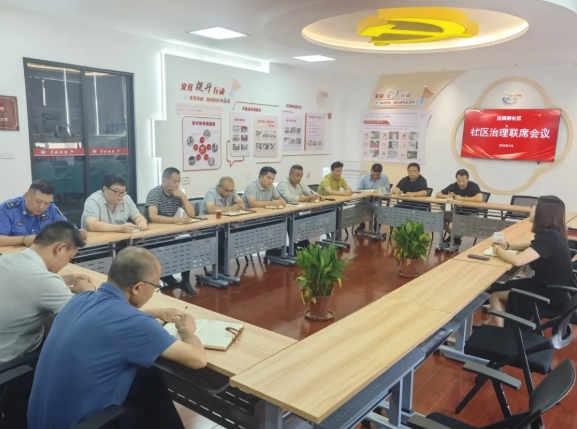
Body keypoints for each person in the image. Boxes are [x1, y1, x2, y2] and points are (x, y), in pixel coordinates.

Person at [27, 247, 207, 429]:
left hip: (38, 421)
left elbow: (108, 319)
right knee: (150, 388)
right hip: (86, 425)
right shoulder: (134, 323)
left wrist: (153, 312)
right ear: (138, 288)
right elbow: (197, 359)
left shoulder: (80, 299)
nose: (154, 291)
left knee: (148, 377)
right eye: (155, 286)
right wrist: (187, 331)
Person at [0, 221, 95, 427]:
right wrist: (89, 292)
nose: (67, 263)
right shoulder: (44, 282)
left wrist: (64, 279)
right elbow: (89, 318)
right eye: (69, 258)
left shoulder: (8, 259)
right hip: (12, 364)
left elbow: (30, 283)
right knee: (75, 358)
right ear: (60, 248)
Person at [480, 196, 574, 328]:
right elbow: (532, 244)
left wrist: (497, 250)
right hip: (555, 290)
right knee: (497, 286)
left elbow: (518, 261)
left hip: (549, 295)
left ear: (543, 212)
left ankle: (499, 330)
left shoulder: (549, 237)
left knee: (495, 295)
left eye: (534, 206)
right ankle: (493, 322)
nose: (530, 209)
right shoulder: (554, 233)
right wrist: (508, 246)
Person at [144, 167, 196, 294]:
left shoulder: (177, 195)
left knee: (186, 242)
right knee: (165, 249)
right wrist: (178, 220)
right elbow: (153, 217)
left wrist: (183, 197)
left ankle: (185, 281)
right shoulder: (154, 193)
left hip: (168, 233)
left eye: (179, 182)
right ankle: (164, 276)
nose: (177, 184)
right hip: (151, 236)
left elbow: (192, 214)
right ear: (164, 180)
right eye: (174, 181)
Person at [0, 180, 87, 246]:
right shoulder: (7, 209)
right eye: (38, 201)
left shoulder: (51, 207)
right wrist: (23, 240)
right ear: (26, 196)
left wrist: (76, 233)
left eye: (46, 203)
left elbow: (64, 226)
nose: (41, 207)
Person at [81, 173, 148, 233]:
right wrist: (120, 228)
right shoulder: (93, 201)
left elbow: (138, 217)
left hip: (119, 240)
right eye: (117, 191)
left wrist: (141, 222)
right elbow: (92, 225)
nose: (121, 195)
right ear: (105, 189)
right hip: (97, 241)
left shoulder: (126, 199)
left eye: (123, 191)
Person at [436, 169, 482, 246]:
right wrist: (446, 196)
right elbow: (438, 194)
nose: (461, 183)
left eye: (463, 181)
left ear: (468, 179)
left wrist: (463, 198)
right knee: (438, 217)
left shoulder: (473, 186)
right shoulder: (454, 186)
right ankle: (453, 235)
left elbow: (479, 198)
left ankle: (453, 238)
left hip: (471, 214)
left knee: (470, 222)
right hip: (456, 213)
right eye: (459, 181)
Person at [356, 163, 390, 231]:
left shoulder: (384, 178)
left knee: (379, 209)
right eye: (373, 174)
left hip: (377, 200)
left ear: (380, 172)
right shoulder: (364, 178)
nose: (375, 176)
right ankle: (362, 223)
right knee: (357, 206)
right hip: (365, 200)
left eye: (377, 175)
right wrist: (366, 192)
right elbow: (359, 190)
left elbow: (387, 190)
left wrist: (378, 192)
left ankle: (376, 226)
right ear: (371, 170)